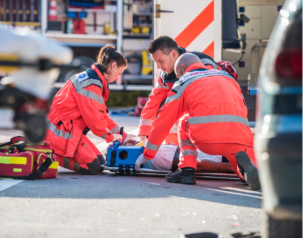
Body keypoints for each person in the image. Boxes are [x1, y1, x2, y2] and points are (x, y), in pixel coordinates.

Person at [135, 53, 260, 191]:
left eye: (178, 74)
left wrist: (148, 154)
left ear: (183, 68)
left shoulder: (184, 81)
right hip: (241, 139)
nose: (178, 77)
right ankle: (247, 173)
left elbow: (163, 121)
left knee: (183, 121)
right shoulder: (227, 77)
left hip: (207, 140)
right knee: (242, 167)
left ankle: (186, 170)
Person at [45, 45, 135, 175]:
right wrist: (111, 137)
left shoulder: (94, 80)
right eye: (119, 73)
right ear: (112, 66)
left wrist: (123, 135)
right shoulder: (91, 84)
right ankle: (51, 152)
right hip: (60, 132)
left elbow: (101, 116)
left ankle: (55, 150)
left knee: (101, 162)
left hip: (67, 130)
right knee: (92, 167)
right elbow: (95, 121)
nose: (117, 78)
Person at [139, 36, 237, 146]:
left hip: (217, 115)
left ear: (173, 54)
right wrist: (143, 135)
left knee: (175, 109)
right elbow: (153, 102)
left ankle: (205, 149)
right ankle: (175, 150)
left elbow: (209, 99)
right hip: (200, 119)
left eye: (161, 61)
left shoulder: (204, 64)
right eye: (156, 62)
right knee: (165, 108)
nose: (158, 67)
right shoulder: (164, 76)